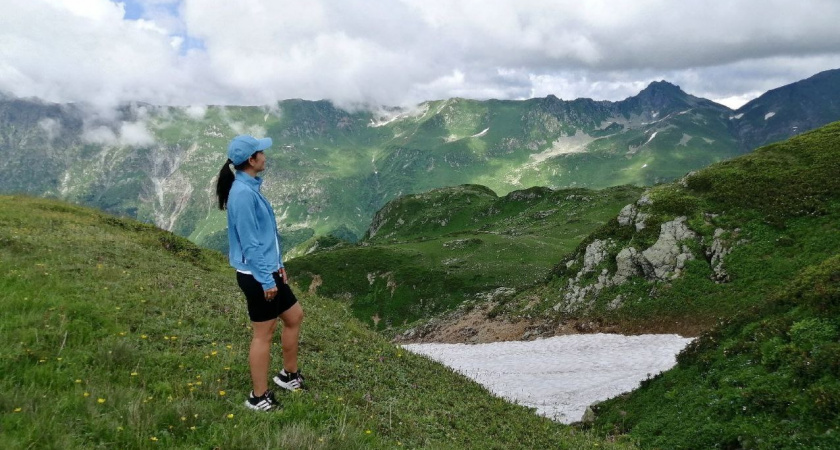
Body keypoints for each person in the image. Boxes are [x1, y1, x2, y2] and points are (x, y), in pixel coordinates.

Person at [215, 134, 305, 412]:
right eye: (261, 153)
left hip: (268, 270)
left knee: (294, 315)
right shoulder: (242, 194)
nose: (265, 156)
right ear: (251, 160)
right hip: (256, 276)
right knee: (263, 334)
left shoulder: (249, 187)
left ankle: (288, 376)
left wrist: (278, 266)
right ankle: (258, 397)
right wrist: (267, 279)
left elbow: (265, 238)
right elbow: (250, 243)